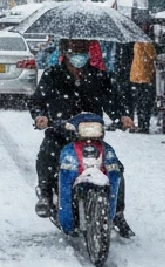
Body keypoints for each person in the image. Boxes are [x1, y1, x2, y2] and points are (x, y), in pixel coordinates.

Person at [29, 38, 135, 234]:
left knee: (113, 166)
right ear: (64, 50)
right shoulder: (52, 75)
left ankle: (117, 213)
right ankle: (45, 194)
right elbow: (37, 101)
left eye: (83, 49)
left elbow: (112, 100)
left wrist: (123, 116)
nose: (79, 53)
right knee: (47, 154)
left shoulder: (99, 77)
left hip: (92, 136)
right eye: (74, 48)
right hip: (60, 133)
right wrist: (40, 116)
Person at [128, 38, 157, 134]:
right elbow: (153, 55)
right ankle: (144, 125)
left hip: (136, 74)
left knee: (140, 101)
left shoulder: (137, 41)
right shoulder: (145, 41)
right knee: (146, 102)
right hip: (145, 75)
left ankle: (141, 124)